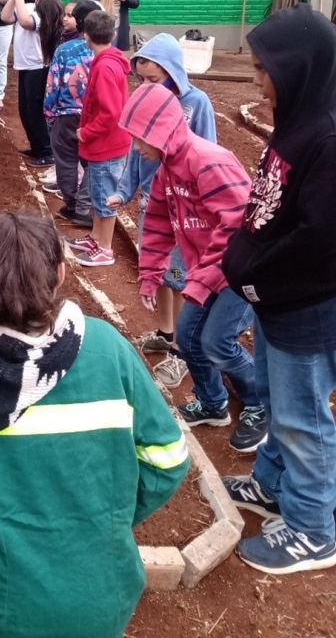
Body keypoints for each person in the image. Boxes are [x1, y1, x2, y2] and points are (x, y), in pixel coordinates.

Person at [0, 211, 189, 638]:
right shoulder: (109, 349)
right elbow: (170, 458)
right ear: (61, 274)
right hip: (104, 604)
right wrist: (111, 517)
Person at [220, 4, 336, 574]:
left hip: (305, 309)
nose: (257, 82)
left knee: (302, 418)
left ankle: (314, 528)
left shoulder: (328, 138)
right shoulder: (296, 123)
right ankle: (270, 487)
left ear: (299, 70)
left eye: (266, 71)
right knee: (274, 400)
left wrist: (259, 278)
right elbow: (269, 208)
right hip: (274, 301)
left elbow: (320, 242)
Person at [119, 82, 267, 454]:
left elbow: (237, 227)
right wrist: (151, 274)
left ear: (161, 130)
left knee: (218, 341)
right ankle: (213, 403)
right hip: (209, 269)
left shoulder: (207, 161)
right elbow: (156, 222)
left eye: (140, 138)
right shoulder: (168, 170)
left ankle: (259, 403)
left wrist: (198, 283)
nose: (136, 147)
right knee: (186, 339)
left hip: (242, 269)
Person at [106, 34, 217, 389]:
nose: (147, 86)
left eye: (154, 79)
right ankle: (167, 333)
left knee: (184, 279)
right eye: (141, 80)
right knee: (164, 273)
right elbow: (135, 155)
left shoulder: (196, 104)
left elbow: (208, 153)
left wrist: (200, 206)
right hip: (153, 208)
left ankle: (182, 351)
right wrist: (124, 191)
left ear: (173, 72)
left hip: (185, 212)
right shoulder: (146, 106)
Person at [67, 10, 131, 266]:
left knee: (105, 197)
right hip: (107, 144)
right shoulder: (108, 61)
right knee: (99, 192)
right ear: (113, 35)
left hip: (106, 145)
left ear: (86, 37)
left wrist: (87, 132)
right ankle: (96, 237)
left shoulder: (104, 67)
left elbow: (111, 112)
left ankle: (104, 248)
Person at [43, 0, 98, 225]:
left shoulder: (64, 50)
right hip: (94, 116)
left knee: (66, 159)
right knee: (92, 162)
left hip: (67, 113)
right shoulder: (104, 52)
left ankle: (75, 205)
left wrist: (49, 114)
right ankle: (84, 207)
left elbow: (52, 85)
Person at [0, 0, 64, 167]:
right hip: (24, 65)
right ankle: (36, 146)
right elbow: (5, 17)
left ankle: (47, 150)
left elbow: (27, 23)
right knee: (25, 110)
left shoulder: (47, 14)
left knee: (35, 111)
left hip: (38, 67)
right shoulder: (27, 6)